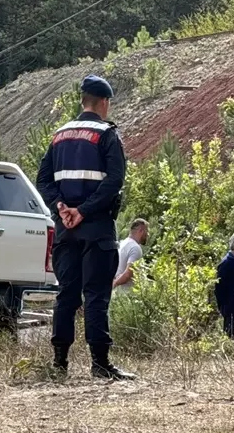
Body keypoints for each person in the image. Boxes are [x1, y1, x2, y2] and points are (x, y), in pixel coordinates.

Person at [36, 74, 136, 381]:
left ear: (83, 101)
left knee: (67, 294)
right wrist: (85, 210)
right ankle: (100, 364)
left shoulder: (59, 135)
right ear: (104, 102)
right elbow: (114, 180)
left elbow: (43, 180)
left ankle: (59, 363)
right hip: (96, 227)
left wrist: (61, 208)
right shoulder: (107, 134)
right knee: (96, 293)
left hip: (66, 228)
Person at [113, 218, 149, 294]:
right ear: (141, 231)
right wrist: (114, 284)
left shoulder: (123, 243)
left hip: (117, 293)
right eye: (147, 231)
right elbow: (128, 274)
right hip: (126, 294)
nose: (148, 234)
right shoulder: (135, 248)